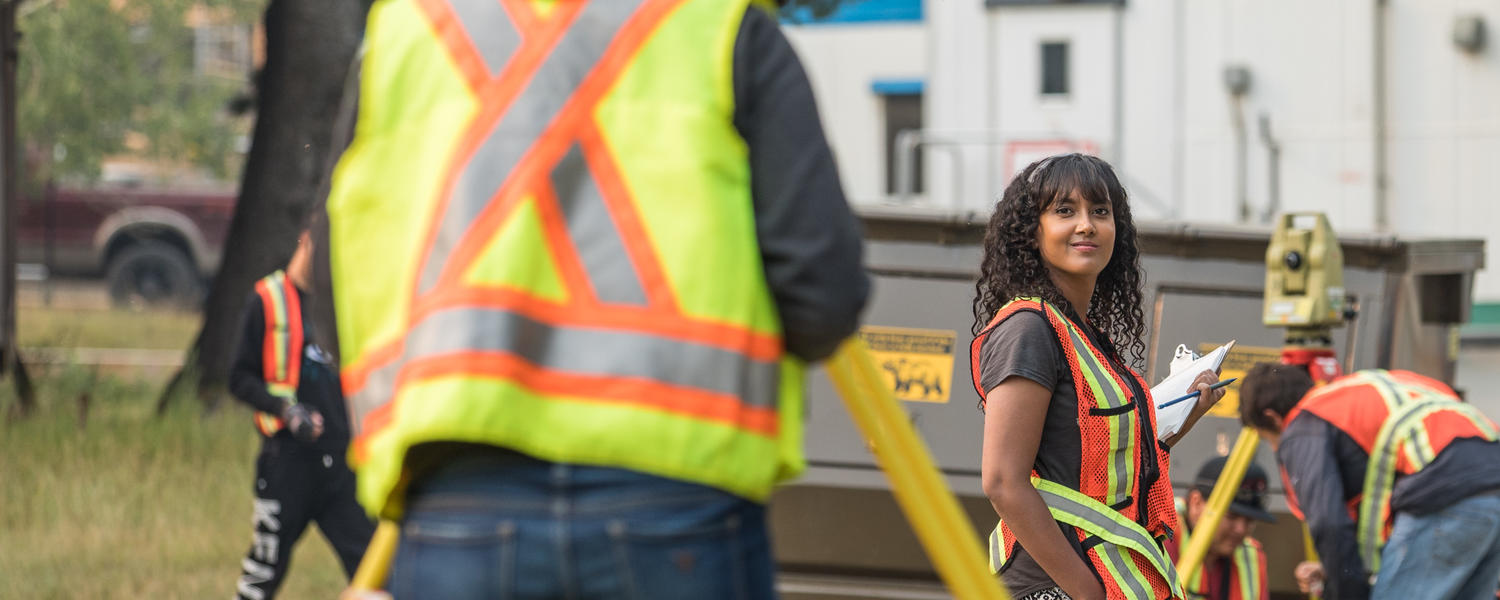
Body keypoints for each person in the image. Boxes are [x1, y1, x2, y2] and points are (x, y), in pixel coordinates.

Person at [324, 0, 869, 598]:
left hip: (459, 498)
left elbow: (333, 267)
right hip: (679, 494)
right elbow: (823, 295)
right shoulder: (722, 24)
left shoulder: (406, 29)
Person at [972, 153, 1226, 600]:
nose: (1086, 225)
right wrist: (1086, 592)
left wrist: (1184, 413)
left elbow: (1096, 468)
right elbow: (1002, 481)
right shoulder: (1030, 328)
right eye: (1064, 211)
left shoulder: (1082, 335)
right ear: (1032, 232)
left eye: (1100, 212)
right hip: (1050, 587)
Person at [1238, 364, 1500, 600]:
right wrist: (1339, 571)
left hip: (1447, 499)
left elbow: (1329, 523)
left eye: (1268, 439)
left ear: (1271, 417)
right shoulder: (1359, 393)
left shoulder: (1304, 423)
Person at [231, 224, 374, 599]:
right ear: (305, 239)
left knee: (373, 571)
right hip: (287, 463)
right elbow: (239, 378)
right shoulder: (268, 299)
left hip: (341, 464)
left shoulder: (343, 301)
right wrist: (286, 410)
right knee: (263, 574)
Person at [1163, 457, 1273, 600]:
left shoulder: (1252, 558)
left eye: (1250, 520)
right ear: (1196, 503)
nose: (1240, 529)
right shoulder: (1159, 539)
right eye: (1231, 516)